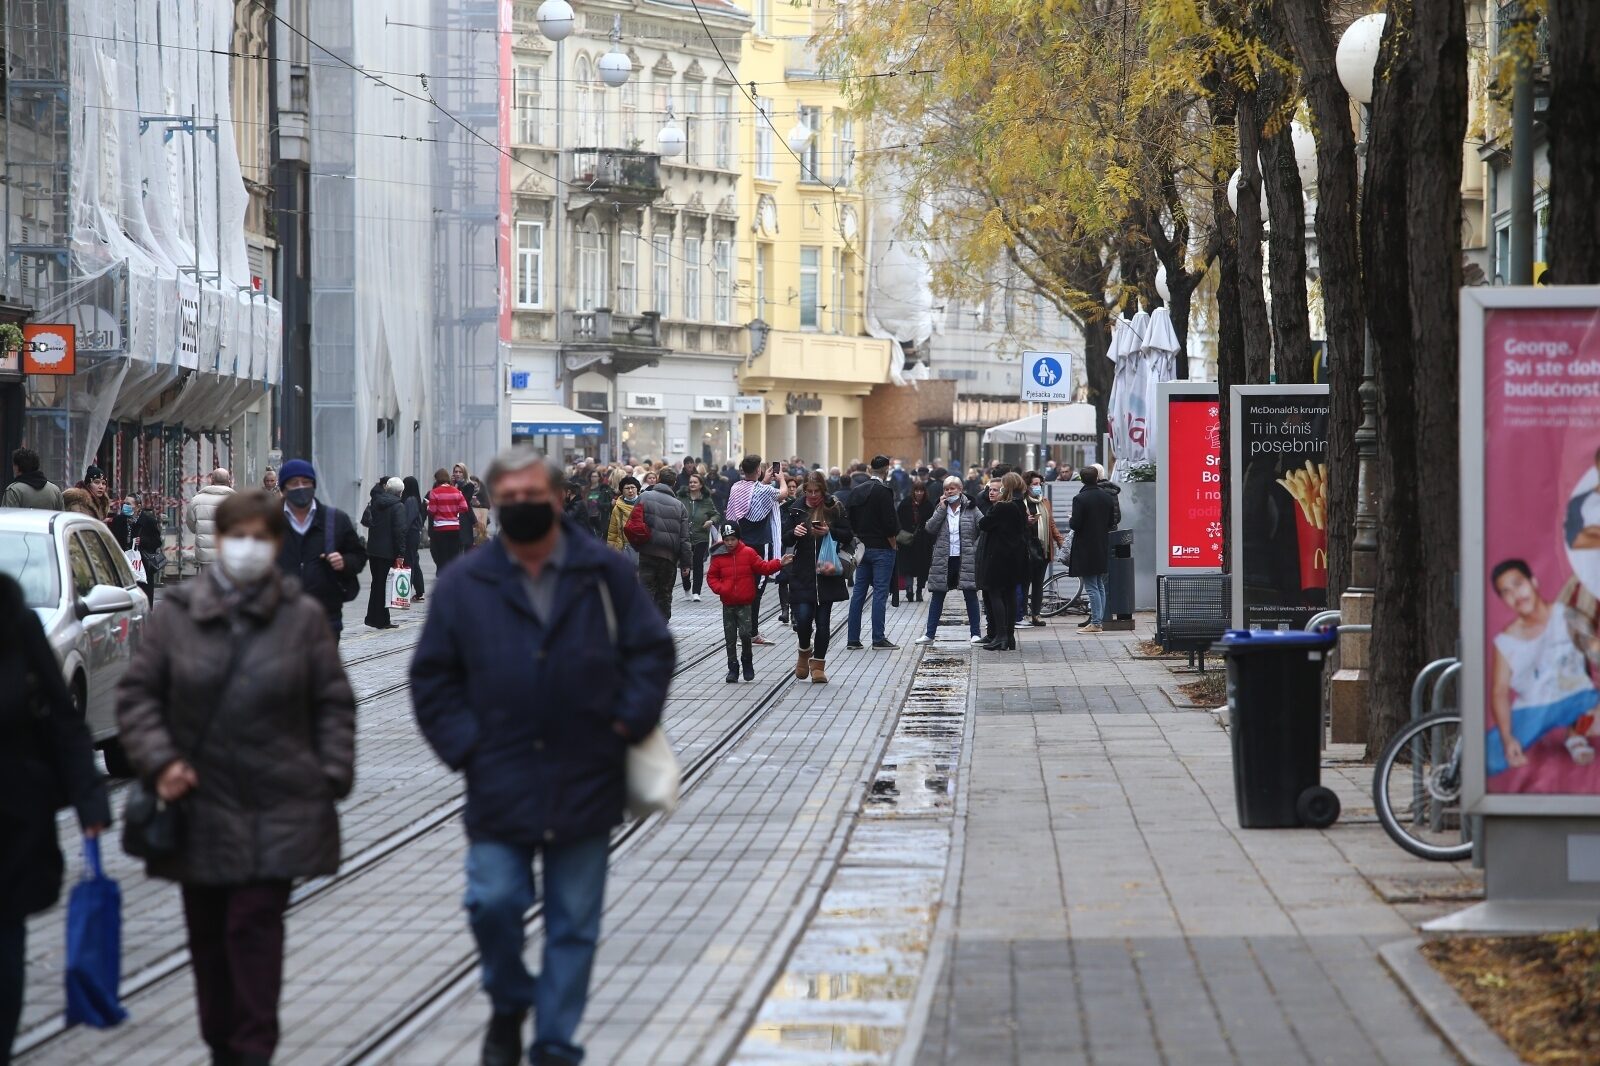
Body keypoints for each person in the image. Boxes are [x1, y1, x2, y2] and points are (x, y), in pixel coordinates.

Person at [410, 448, 674, 1066]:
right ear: (494, 505)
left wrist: (626, 722)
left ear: (558, 501)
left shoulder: (602, 573)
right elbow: (432, 678)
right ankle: (510, 997)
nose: (522, 507)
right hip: (498, 774)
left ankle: (555, 1043)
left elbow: (651, 651)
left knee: (573, 923)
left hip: (587, 772)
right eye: (510, 499)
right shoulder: (465, 582)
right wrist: (464, 745)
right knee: (491, 901)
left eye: (534, 497)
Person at [116, 490, 355, 1066]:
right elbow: (139, 697)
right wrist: (162, 761)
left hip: (279, 805)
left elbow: (333, 703)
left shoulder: (299, 618)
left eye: (260, 537)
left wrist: (328, 774)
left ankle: (252, 1051)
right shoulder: (177, 615)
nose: (248, 547)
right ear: (219, 542)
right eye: (237, 536)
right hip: (197, 805)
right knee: (209, 941)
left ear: (275, 544)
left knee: (253, 931)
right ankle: (224, 1045)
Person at [1, 573, 110, 1065]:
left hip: (11, 818)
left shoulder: (14, 621)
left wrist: (89, 798)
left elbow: (63, 722)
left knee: (5, 945)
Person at [1488, 560, 1600, 777]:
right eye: (1506, 592)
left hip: (1578, 700)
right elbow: (1499, 692)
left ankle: (1575, 733)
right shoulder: (1506, 641)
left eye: (1518, 584)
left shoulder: (1568, 615)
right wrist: (1507, 738)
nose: (1516, 595)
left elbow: (1595, 650)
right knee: (1492, 760)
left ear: (1533, 582)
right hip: (1534, 709)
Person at [275, 459, 367, 641]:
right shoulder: (268, 520)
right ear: (284, 489)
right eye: (294, 483)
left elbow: (359, 555)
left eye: (306, 482)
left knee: (321, 670)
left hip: (325, 618)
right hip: (280, 619)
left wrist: (345, 562)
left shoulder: (335, 520)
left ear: (313, 485)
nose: (301, 487)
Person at [782, 472, 853, 684]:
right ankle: (804, 649)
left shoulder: (834, 506)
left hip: (826, 572)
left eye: (817, 492)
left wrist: (829, 531)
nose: (812, 496)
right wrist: (794, 532)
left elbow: (848, 534)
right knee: (802, 619)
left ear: (823, 490)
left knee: (823, 623)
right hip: (802, 572)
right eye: (809, 491)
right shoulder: (796, 508)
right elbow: (784, 537)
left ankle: (818, 664)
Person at [707, 521, 790, 683]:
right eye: (727, 539)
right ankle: (732, 666)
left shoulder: (748, 553)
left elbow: (763, 567)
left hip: (745, 603)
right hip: (728, 603)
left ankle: (747, 660)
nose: (730, 543)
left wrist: (779, 563)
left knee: (745, 634)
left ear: (738, 538)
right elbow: (711, 577)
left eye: (733, 539)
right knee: (730, 638)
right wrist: (721, 588)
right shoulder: (718, 557)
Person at [723, 455, 787, 645]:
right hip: (760, 544)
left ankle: (744, 628)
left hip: (741, 545)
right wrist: (781, 478)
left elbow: (752, 496)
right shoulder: (763, 490)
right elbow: (782, 494)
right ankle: (751, 632)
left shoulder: (737, 487)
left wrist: (764, 480)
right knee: (757, 589)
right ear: (758, 470)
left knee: (743, 585)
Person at [916, 476, 983, 645]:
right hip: (943, 558)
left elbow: (983, 528)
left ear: (960, 490)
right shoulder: (941, 508)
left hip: (965, 558)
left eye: (952, 488)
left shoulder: (971, 509)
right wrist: (940, 509)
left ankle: (975, 633)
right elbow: (930, 528)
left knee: (970, 595)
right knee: (937, 596)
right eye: (946, 489)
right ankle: (929, 634)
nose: (949, 491)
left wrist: (974, 548)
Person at [845, 455, 901, 651]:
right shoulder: (883, 492)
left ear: (870, 469)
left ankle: (853, 639)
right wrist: (893, 544)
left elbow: (848, 519)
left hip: (862, 548)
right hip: (882, 548)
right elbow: (889, 524)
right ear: (886, 469)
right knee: (880, 593)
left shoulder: (857, 491)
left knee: (859, 593)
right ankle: (878, 638)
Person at [976, 473, 1029, 651]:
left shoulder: (1002, 507)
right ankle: (1010, 636)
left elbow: (984, 524)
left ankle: (1000, 636)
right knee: (1010, 595)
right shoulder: (1020, 505)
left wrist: (993, 508)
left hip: (999, 557)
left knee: (995, 594)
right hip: (1015, 557)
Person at [632, 467, 693, 621]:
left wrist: (637, 546)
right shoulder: (679, 506)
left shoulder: (644, 497)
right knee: (664, 593)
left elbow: (633, 524)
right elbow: (684, 538)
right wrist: (686, 563)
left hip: (647, 552)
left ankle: (645, 627)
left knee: (646, 590)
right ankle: (662, 627)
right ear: (674, 483)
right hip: (669, 557)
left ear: (658, 479)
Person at [1068, 464, 1119, 634]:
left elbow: (1075, 524)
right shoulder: (1106, 497)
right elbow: (1112, 522)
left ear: (1082, 479)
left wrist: (1071, 519)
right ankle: (1100, 620)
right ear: (1097, 478)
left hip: (1085, 546)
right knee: (1099, 584)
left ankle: (1096, 623)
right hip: (1101, 543)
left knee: (1091, 586)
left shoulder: (1080, 499)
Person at [1018, 470, 1065, 628]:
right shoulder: (1021, 502)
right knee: (1024, 583)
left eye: (1040, 484)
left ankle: (1036, 614)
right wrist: (1027, 522)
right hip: (1026, 548)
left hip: (1043, 548)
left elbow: (1050, 523)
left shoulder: (1044, 501)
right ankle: (1022, 613)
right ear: (1027, 486)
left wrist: (1059, 539)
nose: (1038, 487)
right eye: (1035, 484)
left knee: (1038, 583)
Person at [361, 476, 408, 630]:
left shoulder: (376, 502)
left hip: (374, 550)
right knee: (384, 586)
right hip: (388, 552)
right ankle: (382, 620)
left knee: (376, 584)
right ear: (400, 492)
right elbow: (399, 532)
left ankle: (372, 617)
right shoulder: (398, 507)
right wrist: (401, 554)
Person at [677, 471, 721, 602]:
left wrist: (711, 521)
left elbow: (716, 514)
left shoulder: (706, 500)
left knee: (697, 563)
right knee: (685, 562)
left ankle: (696, 592)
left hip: (701, 536)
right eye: (690, 482)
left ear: (701, 485)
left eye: (695, 482)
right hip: (684, 536)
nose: (692, 484)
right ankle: (686, 588)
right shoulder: (682, 497)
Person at [186, 468, 235, 572]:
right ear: (228, 481)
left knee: (207, 584)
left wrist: (201, 531)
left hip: (205, 554)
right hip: (228, 552)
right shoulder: (236, 500)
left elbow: (191, 524)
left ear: (212, 480)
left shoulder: (197, 500)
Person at [896, 479, 935, 605]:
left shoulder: (928, 505)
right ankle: (909, 589)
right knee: (907, 566)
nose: (919, 493)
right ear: (913, 491)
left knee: (922, 567)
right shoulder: (905, 503)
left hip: (923, 541)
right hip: (907, 541)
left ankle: (919, 590)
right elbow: (898, 521)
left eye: (921, 490)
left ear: (925, 492)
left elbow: (932, 523)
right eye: (917, 490)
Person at [427, 469, 469, 574]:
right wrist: (454, 512)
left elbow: (432, 511)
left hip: (440, 528)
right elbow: (464, 507)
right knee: (453, 553)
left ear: (437, 479)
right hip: (454, 527)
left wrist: (429, 507)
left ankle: (442, 574)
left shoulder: (434, 492)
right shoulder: (457, 491)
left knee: (442, 553)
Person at [402, 476, 427, 603]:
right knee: (414, 561)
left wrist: (402, 533)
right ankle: (419, 591)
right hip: (414, 534)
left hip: (410, 535)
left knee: (409, 562)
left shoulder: (410, 500)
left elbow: (408, 519)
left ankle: (406, 591)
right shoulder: (416, 499)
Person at [453, 463, 483, 553]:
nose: (458, 474)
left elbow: (464, 502)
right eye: (456, 472)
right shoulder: (452, 485)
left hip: (464, 518)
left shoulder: (469, 485)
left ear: (464, 473)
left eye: (460, 472)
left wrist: (455, 488)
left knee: (466, 545)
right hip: (453, 518)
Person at [606, 476, 641, 552]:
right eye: (627, 488)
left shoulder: (644, 504)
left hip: (641, 547)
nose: (630, 491)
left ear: (637, 489)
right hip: (623, 548)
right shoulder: (617, 508)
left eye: (633, 487)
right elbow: (612, 532)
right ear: (622, 490)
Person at [583, 470, 614, 538]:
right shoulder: (586, 489)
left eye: (595, 476)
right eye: (592, 476)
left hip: (599, 515)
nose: (593, 478)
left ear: (599, 477)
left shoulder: (602, 488)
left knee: (599, 534)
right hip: (588, 514)